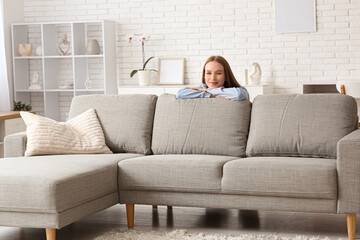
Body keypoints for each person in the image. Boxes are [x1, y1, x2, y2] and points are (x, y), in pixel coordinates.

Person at [176, 56, 249, 101]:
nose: (213, 78)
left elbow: (239, 94)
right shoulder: (202, 88)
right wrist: (211, 96)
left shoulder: (203, 90)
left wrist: (209, 90)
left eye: (218, 73)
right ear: (204, 75)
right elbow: (180, 94)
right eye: (208, 73)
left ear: (226, 76)